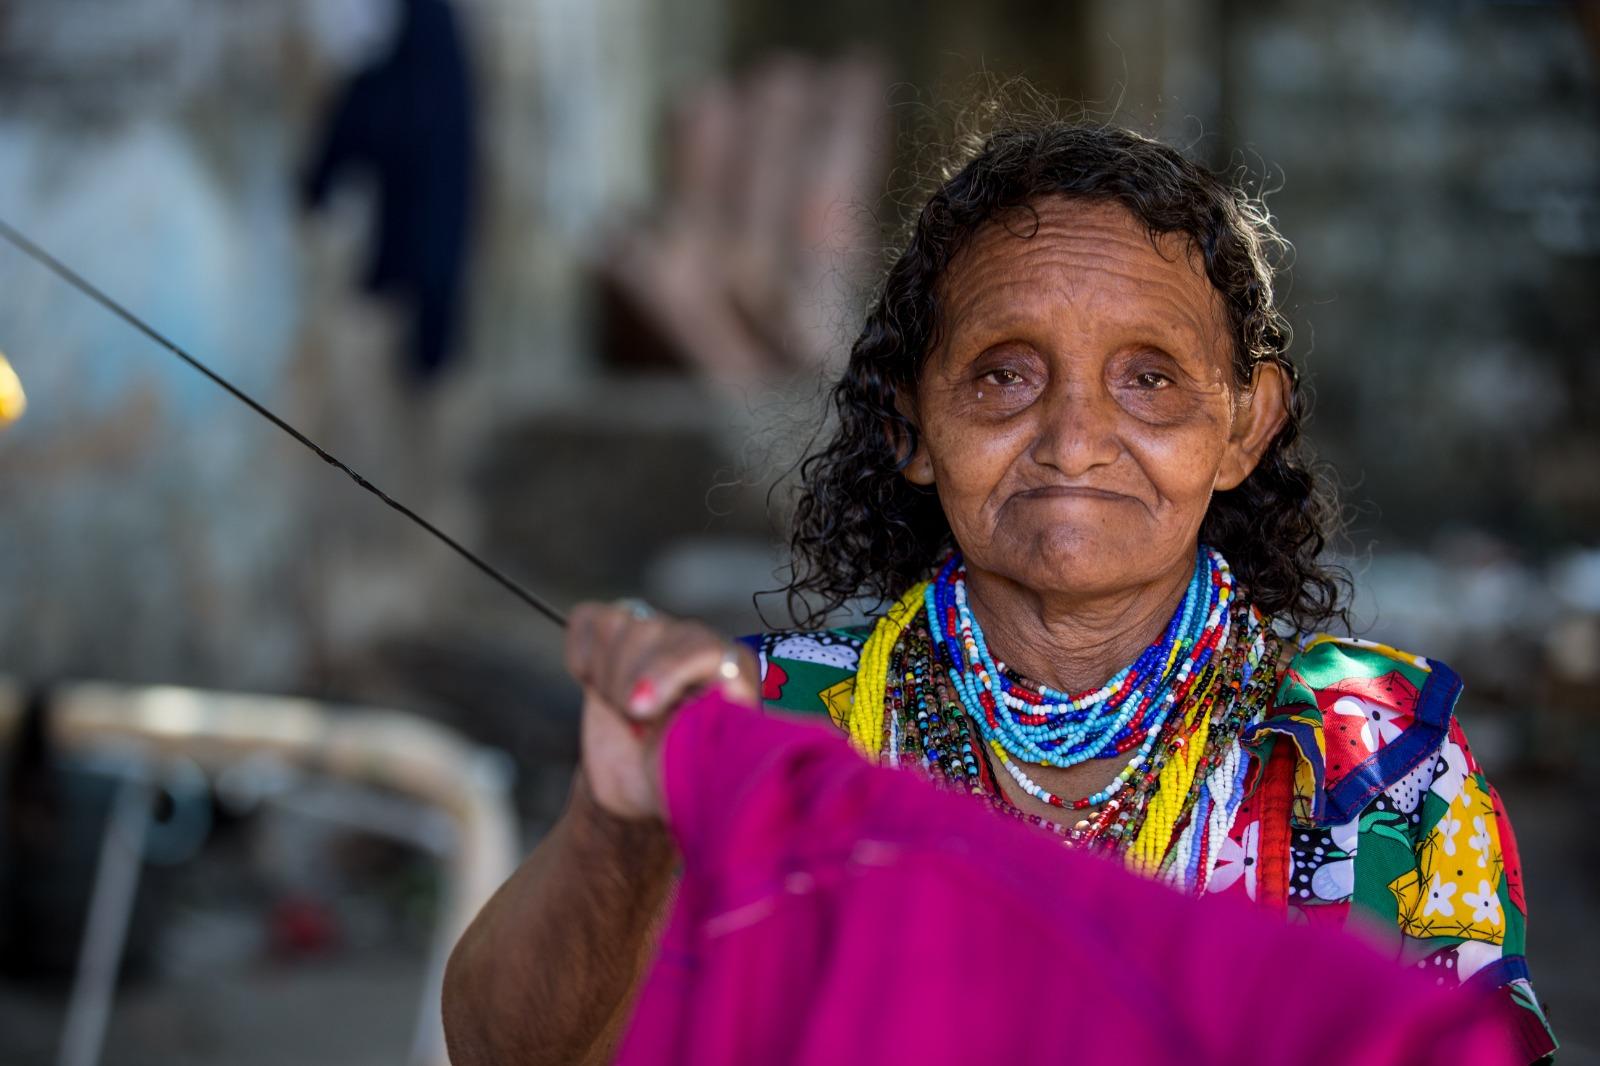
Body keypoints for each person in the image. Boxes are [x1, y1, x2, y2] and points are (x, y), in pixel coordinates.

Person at [442, 121, 1557, 1064]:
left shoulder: (1384, 770)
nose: (1074, 441)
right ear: (908, 424)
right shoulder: (758, 730)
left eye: (1150, 379)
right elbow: (508, 1050)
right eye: (1003, 375)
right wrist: (616, 821)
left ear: (1243, 426)